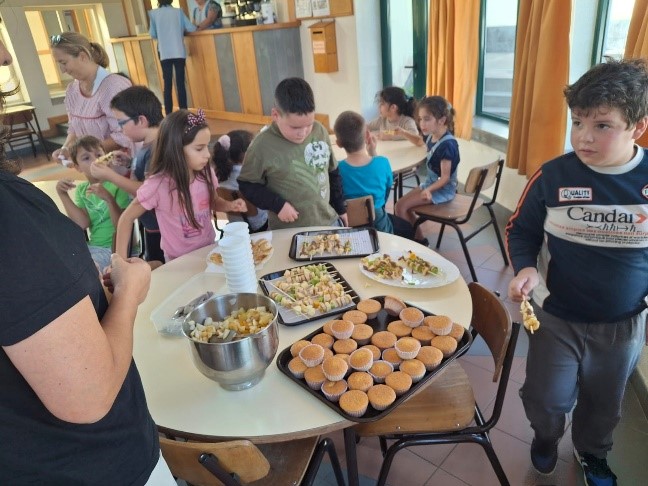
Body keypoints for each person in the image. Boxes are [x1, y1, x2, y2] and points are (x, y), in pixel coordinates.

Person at [0, 36, 176, 485]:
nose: (6, 56)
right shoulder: (12, 219)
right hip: (95, 467)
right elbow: (90, 395)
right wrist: (128, 292)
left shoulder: (148, 149)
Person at [507, 59, 648, 485]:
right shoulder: (553, 175)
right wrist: (526, 267)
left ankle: (592, 454)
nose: (584, 136)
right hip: (556, 317)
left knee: (604, 403)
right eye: (578, 121)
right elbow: (521, 230)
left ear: (637, 127)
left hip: (621, 324)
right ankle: (546, 437)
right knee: (546, 398)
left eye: (602, 125)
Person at [115, 109, 246, 262]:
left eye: (206, 146)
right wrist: (120, 261)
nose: (207, 154)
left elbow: (214, 201)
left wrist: (230, 205)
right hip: (178, 261)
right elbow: (126, 218)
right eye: (199, 148)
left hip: (209, 251)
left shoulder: (206, 173)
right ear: (175, 150)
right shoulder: (157, 185)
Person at [238, 77, 348, 229]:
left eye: (309, 124)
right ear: (275, 115)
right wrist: (278, 205)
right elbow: (247, 185)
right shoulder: (261, 146)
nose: (303, 132)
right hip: (288, 229)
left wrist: (341, 208)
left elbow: (333, 172)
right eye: (295, 127)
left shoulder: (320, 131)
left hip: (327, 222)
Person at [87, 85, 166, 263]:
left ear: (141, 120)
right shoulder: (148, 144)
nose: (120, 129)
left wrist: (110, 175)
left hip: (160, 227)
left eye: (122, 123)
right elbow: (147, 176)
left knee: (159, 267)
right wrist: (130, 164)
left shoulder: (157, 148)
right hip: (151, 224)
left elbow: (147, 190)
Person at [50, 32, 135, 165]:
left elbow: (125, 134)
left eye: (64, 62)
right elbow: (74, 128)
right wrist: (65, 149)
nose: (62, 70)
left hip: (123, 166)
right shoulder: (72, 90)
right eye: (58, 63)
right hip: (95, 166)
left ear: (83, 56)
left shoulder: (113, 86)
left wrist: (83, 154)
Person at [56, 136, 131, 271]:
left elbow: (122, 225)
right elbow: (82, 224)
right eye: (86, 158)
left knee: (82, 270)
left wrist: (109, 199)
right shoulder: (82, 190)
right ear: (77, 167)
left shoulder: (118, 184)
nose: (95, 160)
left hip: (116, 248)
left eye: (98, 155)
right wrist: (63, 194)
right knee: (61, 262)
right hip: (94, 247)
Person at [394, 95, 460, 242]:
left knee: (401, 208)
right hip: (430, 185)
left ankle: (415, 243)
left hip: (442, 190)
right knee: (400, 206)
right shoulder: (432, 135)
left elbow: (445, 178)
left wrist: (429, 190)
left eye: (426, 119)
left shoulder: (448, 145)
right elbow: (419, 141)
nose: (421, 124)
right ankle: (418, 240)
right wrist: (403, 132)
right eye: (420, 119)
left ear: (442, 120)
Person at [334, 110, 394, 233]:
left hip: (349, 224)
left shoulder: (336, 169)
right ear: (367, 135)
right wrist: (373, 152)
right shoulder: (382, 162)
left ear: (339, 144)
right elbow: (387, 189)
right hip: (378, 223)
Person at [212, 129, 269, 232]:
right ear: (246, 153)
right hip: (260, 225)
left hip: (235, 225)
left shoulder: (216, 176)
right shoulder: (253, 175)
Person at [148, 0, 196, 115]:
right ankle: (183, 113)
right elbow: (191, 28)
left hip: (164, 52)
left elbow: (152, 34)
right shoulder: (178, 12)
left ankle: (168, 113)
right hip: (178, 51)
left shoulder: (154, 14)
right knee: (180, 84)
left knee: (167, 84)